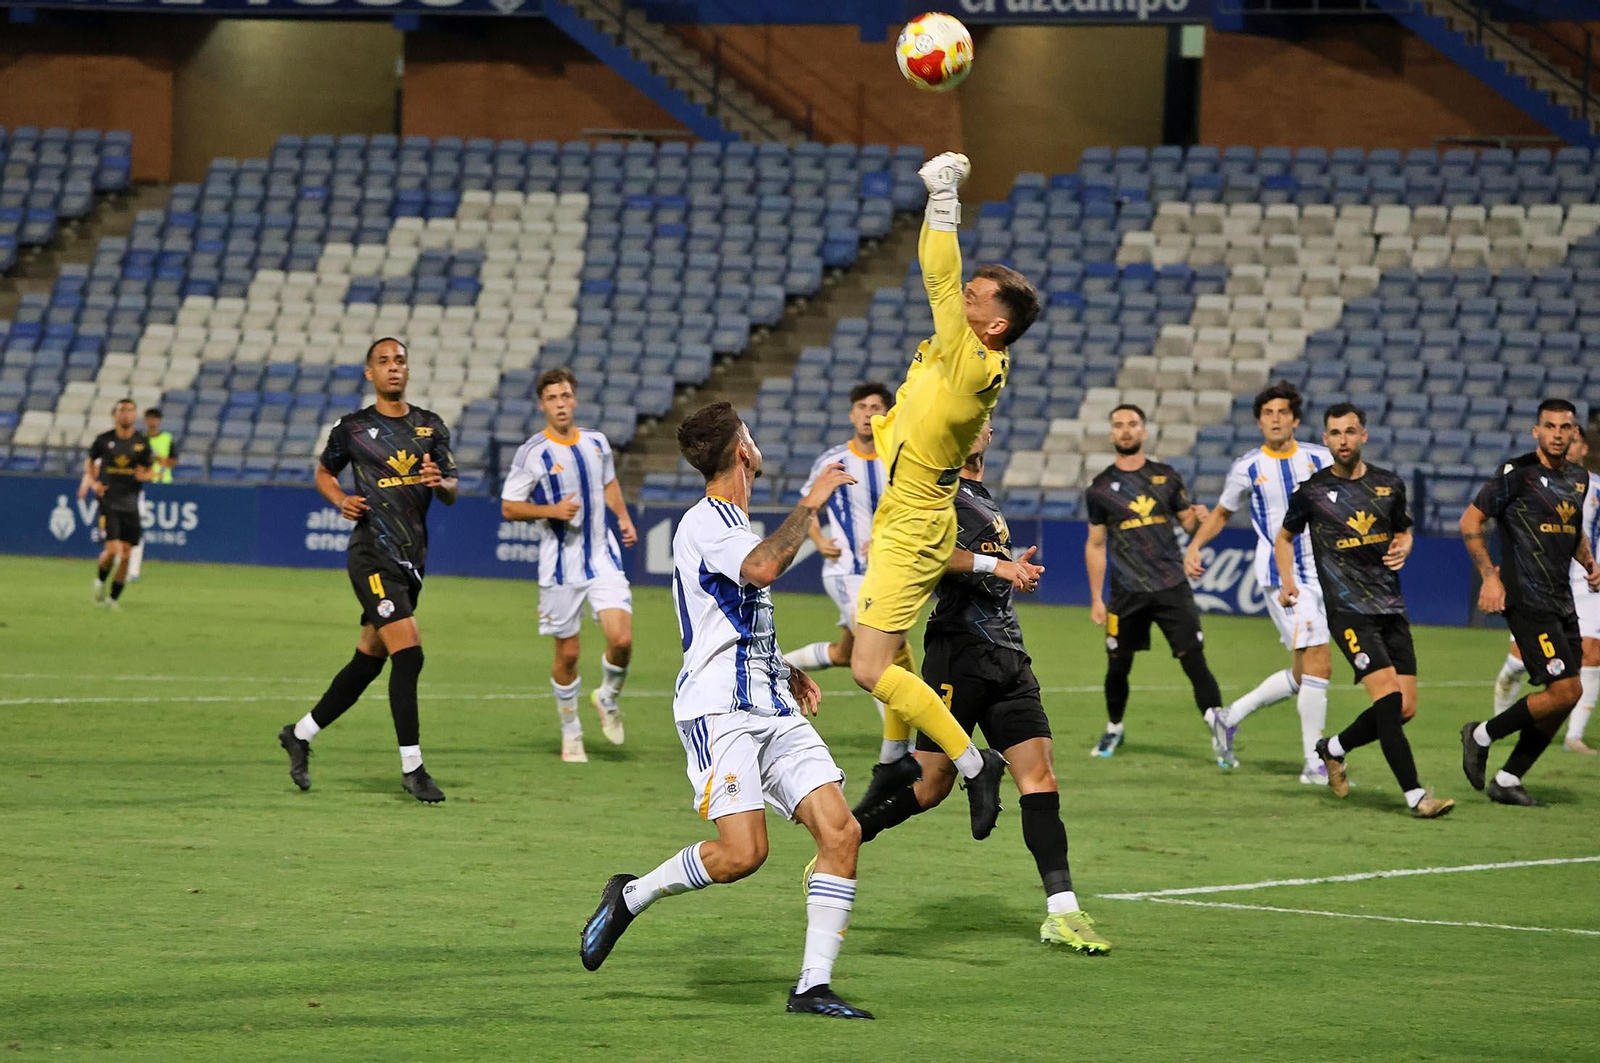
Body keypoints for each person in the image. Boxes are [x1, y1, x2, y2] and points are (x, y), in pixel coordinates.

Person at [579, 402, 872, 1019]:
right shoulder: (704, 523)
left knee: (841, 831)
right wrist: (812, 503)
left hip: (767, 699)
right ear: (742, 450)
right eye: (751, 433)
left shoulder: (733, 521)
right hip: (720, 709)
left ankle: (811, 987)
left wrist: (782, 668)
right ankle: (632, 895)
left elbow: (739, 608)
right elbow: (763, 569)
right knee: (744, 854)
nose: (757, 442)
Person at [847, 420, 1110, 952]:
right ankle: (845, 836)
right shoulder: (939, 492)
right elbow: (930, 556)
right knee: (930, 784)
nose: (982, 424)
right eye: (971, 418)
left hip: (1010, 654)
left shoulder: (982, 497)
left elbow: (989, 571)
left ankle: (1063, 911)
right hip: (958, 650)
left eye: (986, 419)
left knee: (1040, 776)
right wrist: (1003, 567)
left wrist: (1017, 572)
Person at [847, 151, 1039, 841]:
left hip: (916, 516)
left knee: (867, 665)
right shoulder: (969, 353)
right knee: (886, 654)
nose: (963, 299)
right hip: (910, 508)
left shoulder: (970, 359)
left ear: (993, 325)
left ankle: (969, 760)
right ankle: (898, 759)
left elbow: (938, 273)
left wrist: (944, 196)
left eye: (976, 298)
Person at [277, 338, 458, 803]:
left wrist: (443, 482)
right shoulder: (352, 429)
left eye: (399, 360)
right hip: (370, 554)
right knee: (410, 654)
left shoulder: (430, 427)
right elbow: (323, 472)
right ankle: (413, 768)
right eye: (384, 361)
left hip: (411, 558)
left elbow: (453, 487)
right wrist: (340, 499)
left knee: (367, 661)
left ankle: (299, 733)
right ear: (369, 374)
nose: (393, 367)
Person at [1279, 402, 1452, 818]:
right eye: (1335, 433)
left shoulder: (1389, 485)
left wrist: (1406, 543)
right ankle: (1415, 796)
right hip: (1348, 611)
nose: (1343, 440)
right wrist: (1288, 582)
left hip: (1391, 607)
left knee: (1405, 707)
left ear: (1364, 436)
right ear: (1325, 439)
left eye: (1350, 432)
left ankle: (1332, 749)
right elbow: (1284, 538)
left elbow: (1403, 529)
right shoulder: (1312, 492)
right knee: (1389, 700)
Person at [1184, 382, 1334, 781]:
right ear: (1259, 422)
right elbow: (1220, 512)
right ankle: (1314, 762)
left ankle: (1228, 717)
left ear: (1295, 419)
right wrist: (1195, 546)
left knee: (1306, 673)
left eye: (1283, 412)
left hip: (1327, 572)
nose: (1275, 419)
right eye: (1268, 414)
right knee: (1319, 658)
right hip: (1281, 576)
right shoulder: (1248, 466)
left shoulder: (1320, 458)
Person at [1459, 399, 1600, 805]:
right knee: (1565, 691)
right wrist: (1490, 577)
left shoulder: (1578, 479)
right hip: (1526, 597)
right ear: (1536, 431)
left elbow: (1571, 529)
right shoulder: (1516, 474)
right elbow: (1470, 520)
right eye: (1550, 426)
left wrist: (1588, 560)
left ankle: (1507, 779)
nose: (1558, 433)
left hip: (1562, 598)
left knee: (1562, 700)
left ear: (1575, 434)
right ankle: (1480, 734)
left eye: (1565, 427)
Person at [500, 368, 638, 764]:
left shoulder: (596, 443)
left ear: (574, 399)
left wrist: (624, 518)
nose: (560, 404)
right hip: (560, 567)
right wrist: (551, 510)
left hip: (602, 558)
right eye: (552, 399)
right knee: (569, 655)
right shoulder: (533, 452)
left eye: (565, 396)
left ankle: (607, 697)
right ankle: (570, 731)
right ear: (542, 405)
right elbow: (510, 506)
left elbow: (608, 483)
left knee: (622, 639)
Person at [1084, 403, 1219, 759]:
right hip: (1126, 592)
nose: (1126, 430)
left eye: (1132, 424)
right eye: (1119, 425)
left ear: (1144, 431)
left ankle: (1221, 733)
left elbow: (1189, 525)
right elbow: (1095, 545)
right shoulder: (1100, 488)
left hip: (1172, 584)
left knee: (1195, 662)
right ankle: (1114, 728)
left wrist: (1198, 519)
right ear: (1112, 434)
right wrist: (1097, 598)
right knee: (1118, 666)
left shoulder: (1167, 476)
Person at [782, 382, 892, 714]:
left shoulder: (899, 458)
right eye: (862, 407)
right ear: (851, 414)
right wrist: (818, 540)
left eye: (875, 408)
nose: (868, 414)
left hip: (886, 572)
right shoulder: (834, 459)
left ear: (887, 415)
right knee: (881, 653)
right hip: (847, 571)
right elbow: (807, 504)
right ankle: (900, 749)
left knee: (846, 655)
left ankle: (774, 666)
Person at [80, 398, 154, 610]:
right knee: (113, 551)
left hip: (131, 503)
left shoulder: (141, 443)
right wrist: (93, 482)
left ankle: (112, 600)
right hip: (109, 501)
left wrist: (145, 475)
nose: (126, 414)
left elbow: (150, 470)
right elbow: (89, 461)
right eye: (122, 410)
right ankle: (100, 581)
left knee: (126, 554)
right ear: (115, 414)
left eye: (130, 411)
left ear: (135, 415)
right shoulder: (104, 440)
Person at [1562, 426, 1600, 753]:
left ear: (1584, 448)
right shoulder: (1541, 483)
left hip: (1588, 582)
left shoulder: (1598, 488)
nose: (1566, 444)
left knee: (1592, 653)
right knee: (1516, 663)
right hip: (1548, 579)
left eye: (1572, 439)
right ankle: (1501, 723)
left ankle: (1573, 736)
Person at [126, 406, 177, 583]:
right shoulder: (139, 439)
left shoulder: (167, 438)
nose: (152, 422)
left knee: (136, 530)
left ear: (159, 421)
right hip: (140, 484)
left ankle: (133, 570)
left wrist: (157, 459)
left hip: (162, 484)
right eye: (149, 418)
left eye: (155, 418)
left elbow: (173, 461)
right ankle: (126, 567)